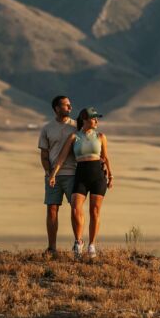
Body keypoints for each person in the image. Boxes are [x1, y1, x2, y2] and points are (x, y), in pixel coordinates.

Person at [48, 107, 113, 259]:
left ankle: (92, 245)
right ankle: (78, 242)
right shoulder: (74, 137)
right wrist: (53, 175)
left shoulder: (101, 136)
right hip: (81, 175)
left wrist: (110, 175)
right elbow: (62, 158)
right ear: (84, 119)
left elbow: (106, 158)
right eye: (94, 118)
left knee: (94, 211)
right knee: (75, 208)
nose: (97, 121)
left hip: (97, 176)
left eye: (97, 118)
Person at [38, 95, 77, 255]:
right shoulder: (47, 129)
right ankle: (52, 247)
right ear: (56, 108)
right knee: (52, 209)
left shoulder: (76, 126)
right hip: (53, 175)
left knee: (76, 209)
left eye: (70, 104)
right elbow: (44, 154)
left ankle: (78, 245)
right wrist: (48, 173)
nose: (70, 108)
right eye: (66, 105)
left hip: (73, 173)